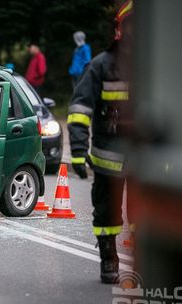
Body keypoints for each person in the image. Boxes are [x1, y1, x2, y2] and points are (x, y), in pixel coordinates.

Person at [67, 0, 134, 284]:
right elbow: (80, 110)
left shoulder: (158, 66)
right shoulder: (101, 65)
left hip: (147, 160)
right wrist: (79, 152)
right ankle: (109, 259)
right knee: (107, 212)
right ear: (119, 29)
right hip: (108, 160)